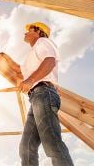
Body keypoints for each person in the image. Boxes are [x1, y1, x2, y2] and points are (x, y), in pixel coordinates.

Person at [18, 22, 74, 166]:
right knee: (26, 147)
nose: (25, 33)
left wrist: (30, 80)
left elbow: (50, 62)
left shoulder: (43, 42)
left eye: (28, 30)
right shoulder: (32, 53)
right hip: (36, 97)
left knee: (51, 142)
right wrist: (26, 81)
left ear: (38, 32)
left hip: (43, 93)